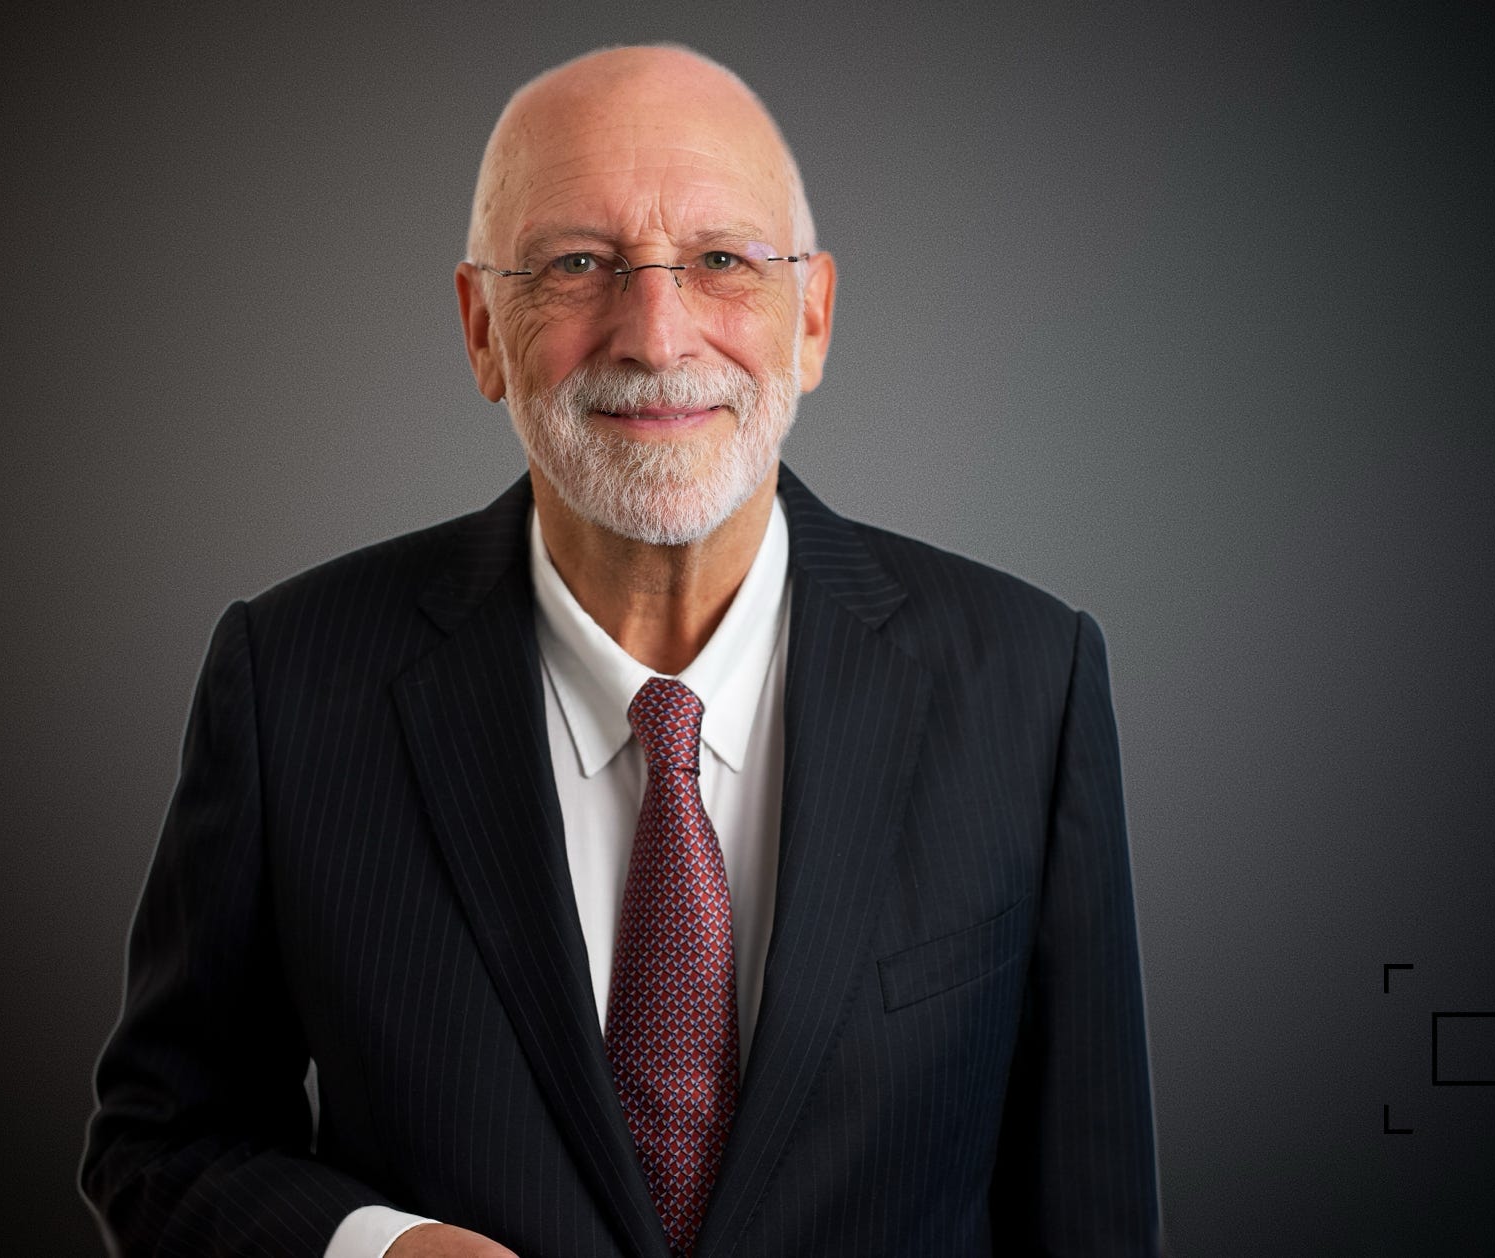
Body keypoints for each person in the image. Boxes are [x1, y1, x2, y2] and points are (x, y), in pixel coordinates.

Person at [82, 43, 1160, 1258]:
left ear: (811, 318)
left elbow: (1094, 1215)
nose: (655, 335)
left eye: (721, 261)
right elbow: (161, 1140)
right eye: (578, 264)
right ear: (482, 329)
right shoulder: (290, 682)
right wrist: (374, 1252)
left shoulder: (1030, 683)